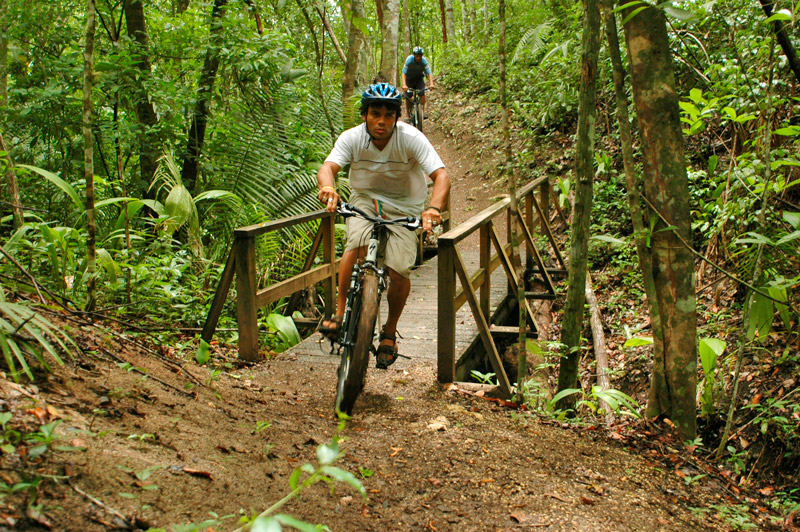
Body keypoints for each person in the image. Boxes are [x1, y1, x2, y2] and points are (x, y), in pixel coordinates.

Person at [316, 82, 450, 369]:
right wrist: (328, 188)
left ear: (396, 118)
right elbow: (328, 167)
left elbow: (441, 175)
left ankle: (389, 331)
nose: (381, 121)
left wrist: (434, 208)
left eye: (388, 115)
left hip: (405, 206)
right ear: (365, 115)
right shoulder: (352, 138)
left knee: (400, 267)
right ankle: (340, 314)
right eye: (375, 113)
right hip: (365, 200)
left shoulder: (410, 138)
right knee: (356, 243)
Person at [402, 46, 435, 120]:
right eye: (417, 56)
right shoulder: (409, 60)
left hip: (419, 78)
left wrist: (431, 84)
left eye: (420, 56)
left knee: (422, 94)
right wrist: (404, 84)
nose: (418, 58)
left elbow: (429, 73)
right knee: (408, 97)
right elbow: (404, 73)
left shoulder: (424, 61)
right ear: (414, 55)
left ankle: (422, 112)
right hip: (409, 79)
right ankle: (407, 114)